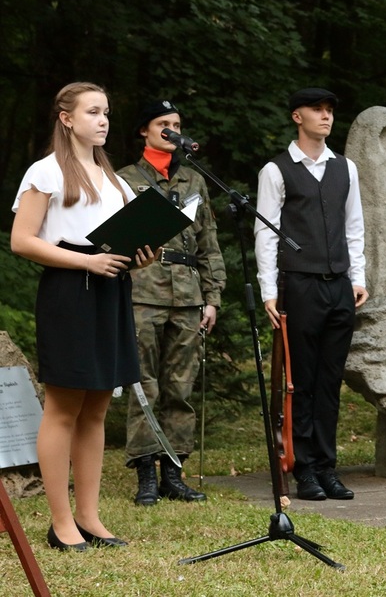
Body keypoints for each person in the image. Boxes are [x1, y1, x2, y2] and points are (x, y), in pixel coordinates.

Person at [10, 82, 157, 551]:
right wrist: (86, 262)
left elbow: (120, 242)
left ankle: (90, 517)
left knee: (96, 408)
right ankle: (60, 523)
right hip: (70, 290)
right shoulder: (46, 171)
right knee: (63, 407)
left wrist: (143, 255)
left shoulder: (115, 180)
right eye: (93, 112)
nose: (104, 120)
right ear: (67, 118)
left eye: (107, 112)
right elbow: (23, 240)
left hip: (110, 288)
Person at [254, 87, 368, 501]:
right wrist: (270, 290)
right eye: (317, 110)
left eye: (330, 110)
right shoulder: (277, 170)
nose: (326, 117)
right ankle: (303, 469)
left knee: (329, 381)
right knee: (299, 381)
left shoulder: (346, 169)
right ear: (296, 116)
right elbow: (266, 234)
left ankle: (326, 466)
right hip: (298, 285)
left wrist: (358, 277)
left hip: (339, 284)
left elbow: (353, 225)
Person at [117, 100, 227, 506]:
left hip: (187, 295)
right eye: (163, 124)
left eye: (177, 124)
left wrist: (212, 298)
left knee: (180, 386)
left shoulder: (193, 181)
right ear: (144, 131)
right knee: (144, 384)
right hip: (141, 292)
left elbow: (208, 243)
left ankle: (174, 474)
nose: (171, 130)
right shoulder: (123, 180)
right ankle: (146, 472)